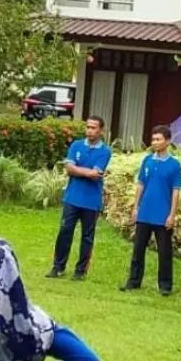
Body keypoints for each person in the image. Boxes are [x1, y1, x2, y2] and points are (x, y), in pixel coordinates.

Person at [121, 124, 181, 296]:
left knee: (164, 252)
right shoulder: (147, 161)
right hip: (145, 213)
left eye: (158, 139)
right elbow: (141, 184)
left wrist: (172, 214)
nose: (154, 142)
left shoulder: (174, 165)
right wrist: (135, 207)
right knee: (138, 249)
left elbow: (175, 191)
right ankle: (133, 281)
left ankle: (165, 285)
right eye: (153, 139)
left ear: (167, 141)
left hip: (162, 216)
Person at [48, 115, 111, 281]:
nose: (89, 131)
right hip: (72, 198)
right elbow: (69, 169)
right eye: (88, 127)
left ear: (101, 130)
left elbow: (95, 174)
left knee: (87, 237)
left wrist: (78, 170)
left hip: (91, 201)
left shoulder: (105, 151)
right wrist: (86, 172)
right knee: (64, 231)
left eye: (93, 128)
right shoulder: (76, 145)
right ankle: (58, 267)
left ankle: (80, 271)